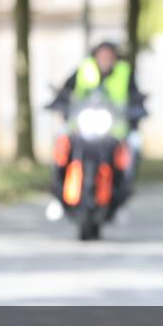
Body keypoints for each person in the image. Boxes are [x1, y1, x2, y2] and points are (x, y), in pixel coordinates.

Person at [46, 42, 144, 220]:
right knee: (61, 144)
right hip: (81, 127)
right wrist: (60, 102)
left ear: (115, 58)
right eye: (102, 55)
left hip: (114, 130)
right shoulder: (84, 69)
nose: (105, 59)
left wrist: (136, 109)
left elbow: (134, 95)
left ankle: (122, 197)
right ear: (95, 56)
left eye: (109, 56)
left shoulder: (124, 72)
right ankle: (57, 196)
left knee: (134, 146)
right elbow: (66, 90)